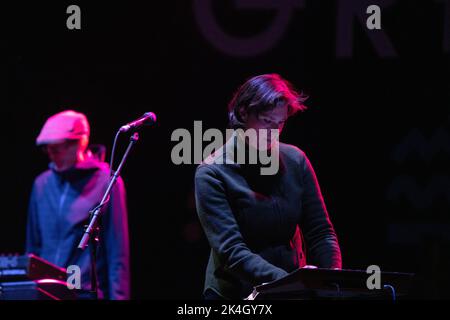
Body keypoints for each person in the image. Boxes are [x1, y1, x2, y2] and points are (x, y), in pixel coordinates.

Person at [195, 74, 342, 299]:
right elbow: (233, 252)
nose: (274, 133)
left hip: (292, 289)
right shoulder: (212, 173)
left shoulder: (296, 160)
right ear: (243, 113)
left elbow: (321, 231)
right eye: (266, 121)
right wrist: (291, 283)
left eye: (280, 123)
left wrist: (332, 279)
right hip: (235, 294)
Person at [26, 110, 130, 300]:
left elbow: (117, 255)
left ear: (80, 143)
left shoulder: (107, 182)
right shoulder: (41, 184)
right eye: (47, 150)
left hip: (83, 293)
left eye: (57, 149)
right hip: (45, 292)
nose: (52, 156)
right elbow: (32, 247)